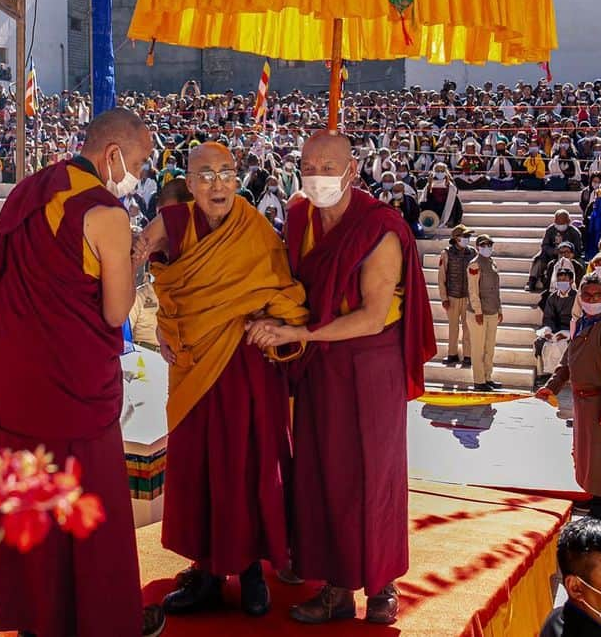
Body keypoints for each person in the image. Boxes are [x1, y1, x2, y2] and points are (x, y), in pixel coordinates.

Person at [0, 107, 165, 637]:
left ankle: (32, 615)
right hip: (69, 387)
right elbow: (115, 312)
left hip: (12, 379)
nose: (140, 175)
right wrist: (135, 256)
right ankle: (98, 619)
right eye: (141, 162)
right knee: (86, 499)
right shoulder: (106, 212)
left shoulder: (28, 190)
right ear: (113, 155)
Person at [247, 130, 436, 626]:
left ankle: (380, 584)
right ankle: (334, 586)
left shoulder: (380, 228)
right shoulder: (298, 217)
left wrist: (300, 332)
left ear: (352, 170)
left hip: (368, 364)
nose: (318, 176)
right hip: (318, 364)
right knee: (320, 471)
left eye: (329, 167)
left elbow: (374, 316)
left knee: (372, 473)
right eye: (309, 165)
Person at [132, 142, 307, 617]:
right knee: (200, 465)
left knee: (249, 462)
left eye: (226, 173)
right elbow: (142, 260)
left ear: (238, 178)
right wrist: (162, 329)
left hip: (247, 364)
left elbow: (282, 290)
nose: (217, 184)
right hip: (194, 365)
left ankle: (251, 571)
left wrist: (276, 321)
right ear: (188, 185)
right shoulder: (174, 223)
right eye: (205, 175)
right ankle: (207, 571)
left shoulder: (255, 228)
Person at [537, 274, 601, 523]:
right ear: (580, 297)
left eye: (597, 296)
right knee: (586, 456)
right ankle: (595, 497)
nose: (592, 300)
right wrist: (553, 385)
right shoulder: (581, 322)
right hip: (582, 404)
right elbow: (569, 357)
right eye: (587, 295)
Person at [467, 234, 503, 391]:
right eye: (483, 245)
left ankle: (488, 377)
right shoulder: (474, 265)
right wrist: (478, 311)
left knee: (490, 347)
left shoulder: (492, 263)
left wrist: (499, 308)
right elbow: (473, 290)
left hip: (492, 310)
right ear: (477, 247)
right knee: (478, 348)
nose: (487, 248)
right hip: (478, 312)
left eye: (489, 245)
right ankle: (479, 380)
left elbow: (496, 289)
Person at [437, 225, 474, 366]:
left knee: (467, 327)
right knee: (453, 326)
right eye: (464, 236)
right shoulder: (446, 253)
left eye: (468, 237)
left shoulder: (473, 253)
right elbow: (442, 277)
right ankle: (452, 353)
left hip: (468, 296)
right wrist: (444, 298)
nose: (467, 239)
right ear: (456, 238)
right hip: (452, 296)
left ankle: (468, 355)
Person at [528, 210, 582, 292]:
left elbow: (578, 249)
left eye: (562, 223)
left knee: (579, 262)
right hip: (553, 254)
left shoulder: (574, 232)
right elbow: (544, 245)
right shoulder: (550, 230)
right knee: (539, 258)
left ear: (568, 221)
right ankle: (532, 280)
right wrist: (553, 251)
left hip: (568, 255)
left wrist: (569, 254)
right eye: (558, 223)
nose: (560, 226)